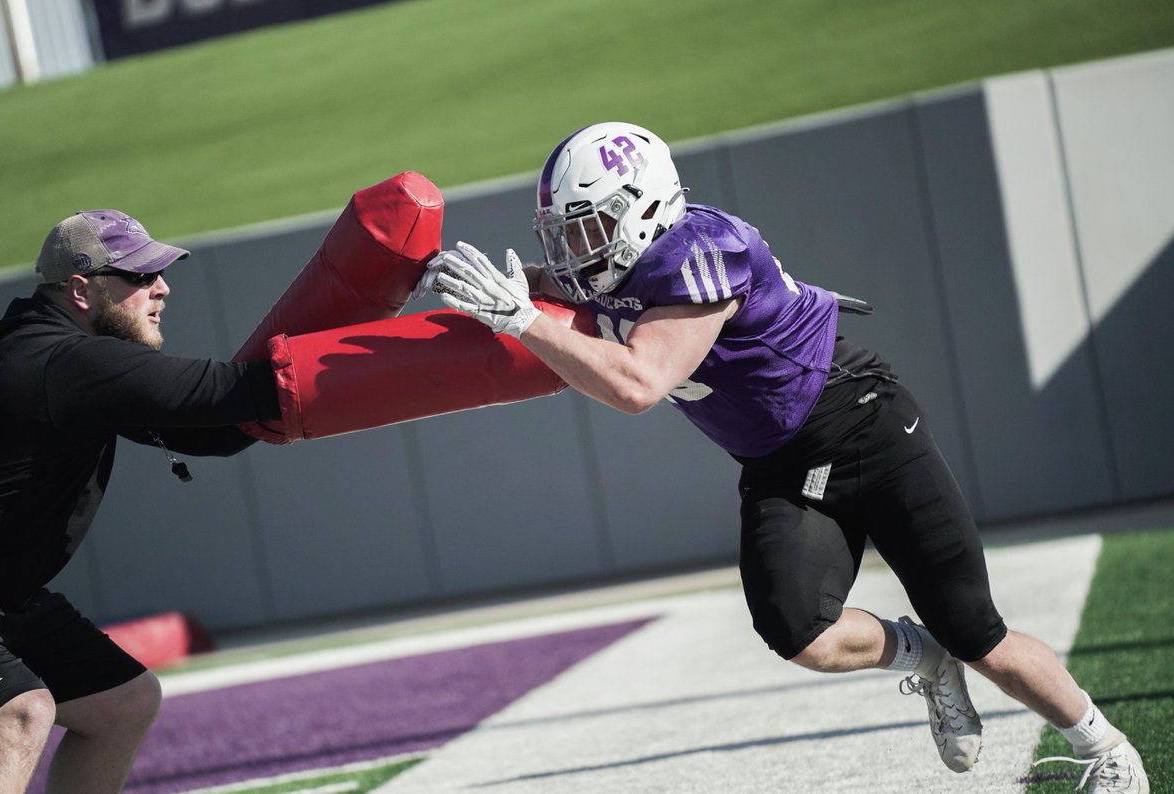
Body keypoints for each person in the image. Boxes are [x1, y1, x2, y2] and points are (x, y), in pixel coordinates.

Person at [423, 122, 1149, 792]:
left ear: (642, 211)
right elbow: (560, 288)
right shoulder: (613, 258)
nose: (573, 252)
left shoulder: (702, 254)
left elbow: (638, 384)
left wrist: (521, 319)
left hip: (862, 424)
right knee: (799, 632)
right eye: (563, 234)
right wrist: (512, 291)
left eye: (587, 229)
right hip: (780, 459)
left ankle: (1104, 745)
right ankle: (924, 657)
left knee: (978, 634)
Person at [0, 210, 281, 793]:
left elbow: (210, 432)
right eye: (140, 277)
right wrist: (365, 349)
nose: (161, 287)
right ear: (81, 290)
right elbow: (229, 391)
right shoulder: (61, 362)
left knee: (121, 703)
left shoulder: (67, 359)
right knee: (20, 715)